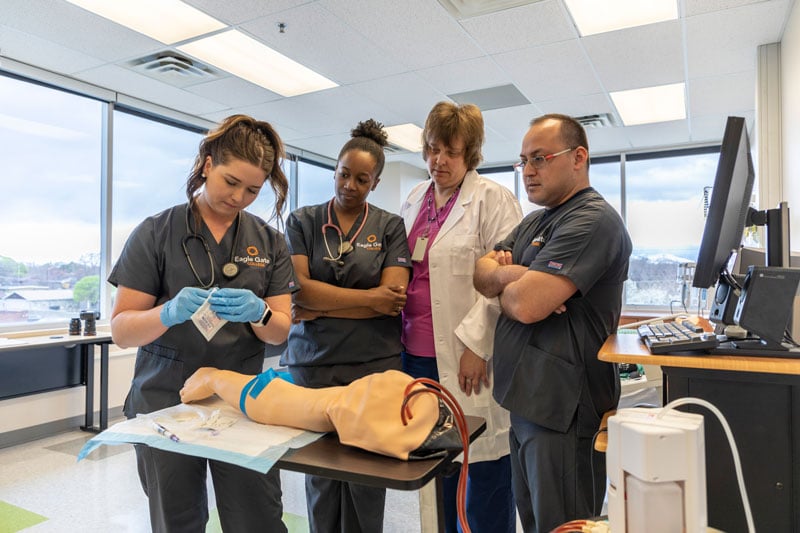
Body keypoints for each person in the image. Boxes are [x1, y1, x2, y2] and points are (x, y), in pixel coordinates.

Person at [108, 114, 295, 533]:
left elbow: (280, 329)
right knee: (178, 520)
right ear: (208, 164)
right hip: (165, 399)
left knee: (257, 519)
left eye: (253, 190)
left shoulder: (269, 242)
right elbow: (121, 330)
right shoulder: (156, 233)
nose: (239, 197)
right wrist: (167, 313)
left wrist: (261, 313)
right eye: (231, 182)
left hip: (241, 401)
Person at [473, 113, 633, 533]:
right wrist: (515, 274)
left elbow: (527, 306)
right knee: (534, 522)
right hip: (527, 401)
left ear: (578, 158)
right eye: (523, 160)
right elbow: (481, 274)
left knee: (562, 524)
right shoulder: (536, 220)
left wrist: (512, 282)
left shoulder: (592, 220)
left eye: (540, 159)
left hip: (563, 408)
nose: (528, 171)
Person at [282, 119, 411, 533]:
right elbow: (299, 291)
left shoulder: (389, 226)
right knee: (320, 473)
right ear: (334, 170)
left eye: (362, 179)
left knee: (367, 474)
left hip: (373, 365)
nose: (349, 185)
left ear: (376, 182)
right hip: (314, 364)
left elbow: (393, 300)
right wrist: (370, 300)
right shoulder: (302, 221)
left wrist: (322, 306)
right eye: (343, 174)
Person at [399, 101, 522, 533]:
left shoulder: (492, 199)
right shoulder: (414, 198)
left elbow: (504, 280)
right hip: (416, 359)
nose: (439, 161)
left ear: (470, 154)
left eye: (451, 152)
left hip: (467, 356)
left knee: (484, 472)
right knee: (437, 471)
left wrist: (477, 345)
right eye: (433, 149)